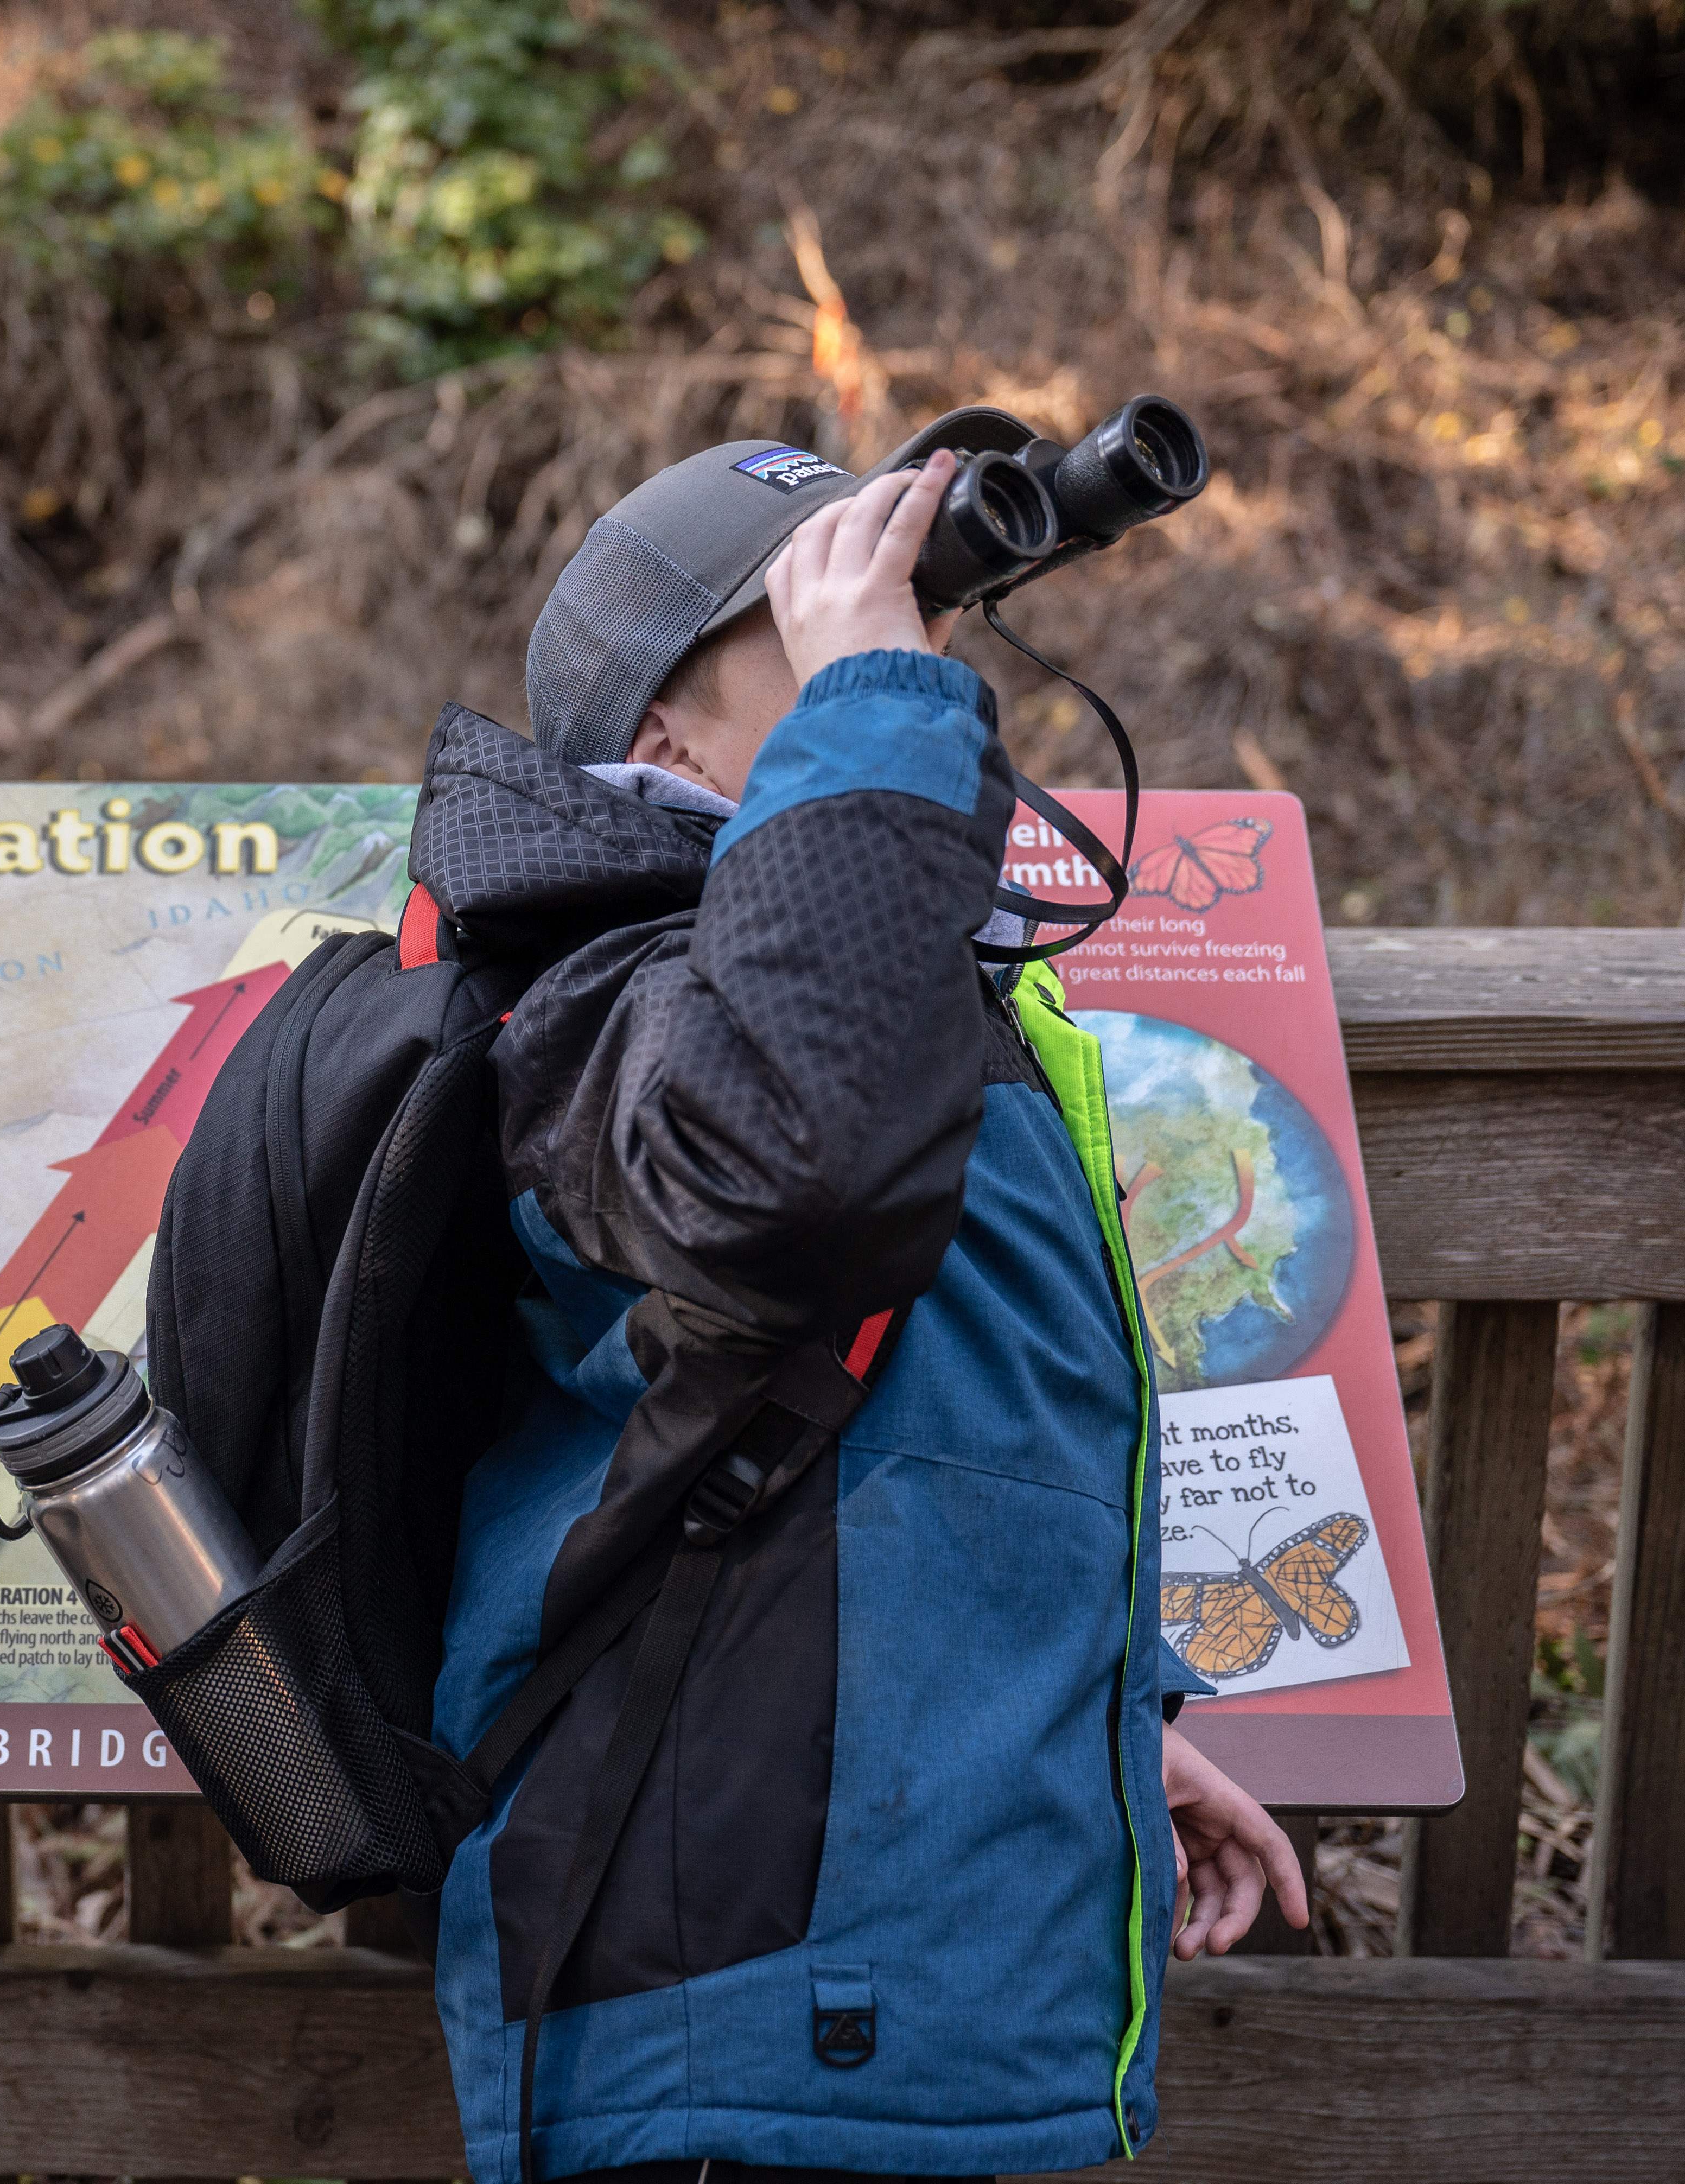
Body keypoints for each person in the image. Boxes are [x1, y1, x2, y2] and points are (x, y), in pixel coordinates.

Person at [402, 441, 1309, 2184]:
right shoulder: (611, 992)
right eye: (813, 614)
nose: (908, 639)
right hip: (739, 2002)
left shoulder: (888, 999)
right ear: (661, 738)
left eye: (917, 616)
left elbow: (956, 1433)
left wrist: (1105, 1739)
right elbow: (791, 1181)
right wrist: (879, 702)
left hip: (912, 1969)